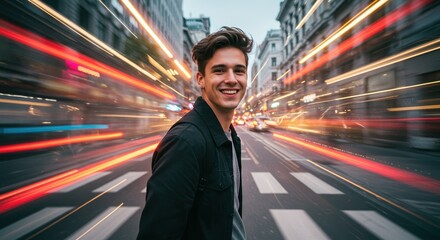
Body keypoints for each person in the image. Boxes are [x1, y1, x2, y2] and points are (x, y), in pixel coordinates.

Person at [137, 26, 253, 240]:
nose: (231, 79)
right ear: (201, 79)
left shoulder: (230, 136)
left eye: (239, 70)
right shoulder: (185, 142)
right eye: (219, 70)